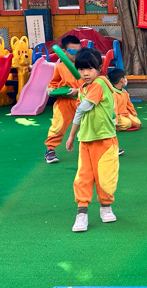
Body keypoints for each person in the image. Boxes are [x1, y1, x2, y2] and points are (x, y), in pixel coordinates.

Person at [64, 48, 119, 232]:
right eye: (81, 69)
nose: (85, 73)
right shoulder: (84, 88)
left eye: (89, 68)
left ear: (99, 68)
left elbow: (83, 108)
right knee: (83, 177)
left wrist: (71, 134)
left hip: (105, 139)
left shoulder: (100, 83)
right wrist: (72, 136)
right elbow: (81, 111)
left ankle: (106, 207)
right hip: (86, 140)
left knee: (105, 176)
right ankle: (82, 213)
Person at [44, 34, 83, 164]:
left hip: (84, 100)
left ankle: (107, 146)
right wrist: (51, 89)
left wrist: (78, 90)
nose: (76, 54)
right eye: (72, 51)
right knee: (58, 125)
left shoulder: (85, 64)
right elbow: (54, 82)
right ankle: (50, 149)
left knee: (97, 123)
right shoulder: (60, 67)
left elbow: (93, 82)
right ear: (64, 51)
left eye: (79, 50)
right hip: (65, 102)